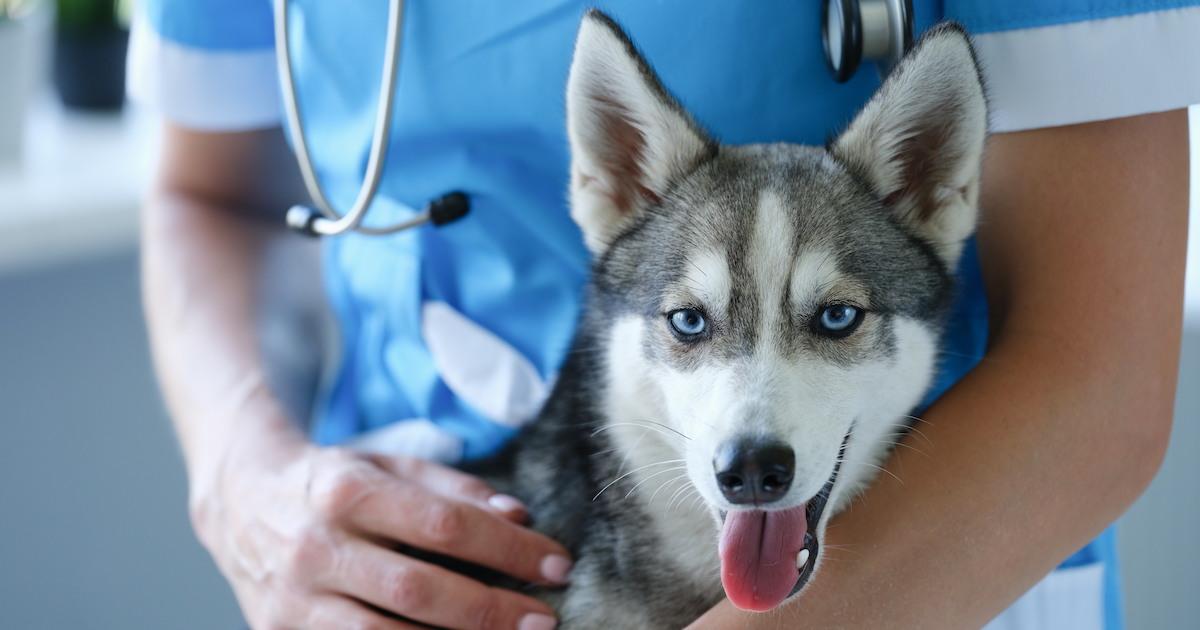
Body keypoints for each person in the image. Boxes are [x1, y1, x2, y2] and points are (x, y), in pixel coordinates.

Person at [131, 1, 1198, 628]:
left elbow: (1093, 377)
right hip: (396, 565)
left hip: (903, 579)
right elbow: (209, 191)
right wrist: (243, 478)